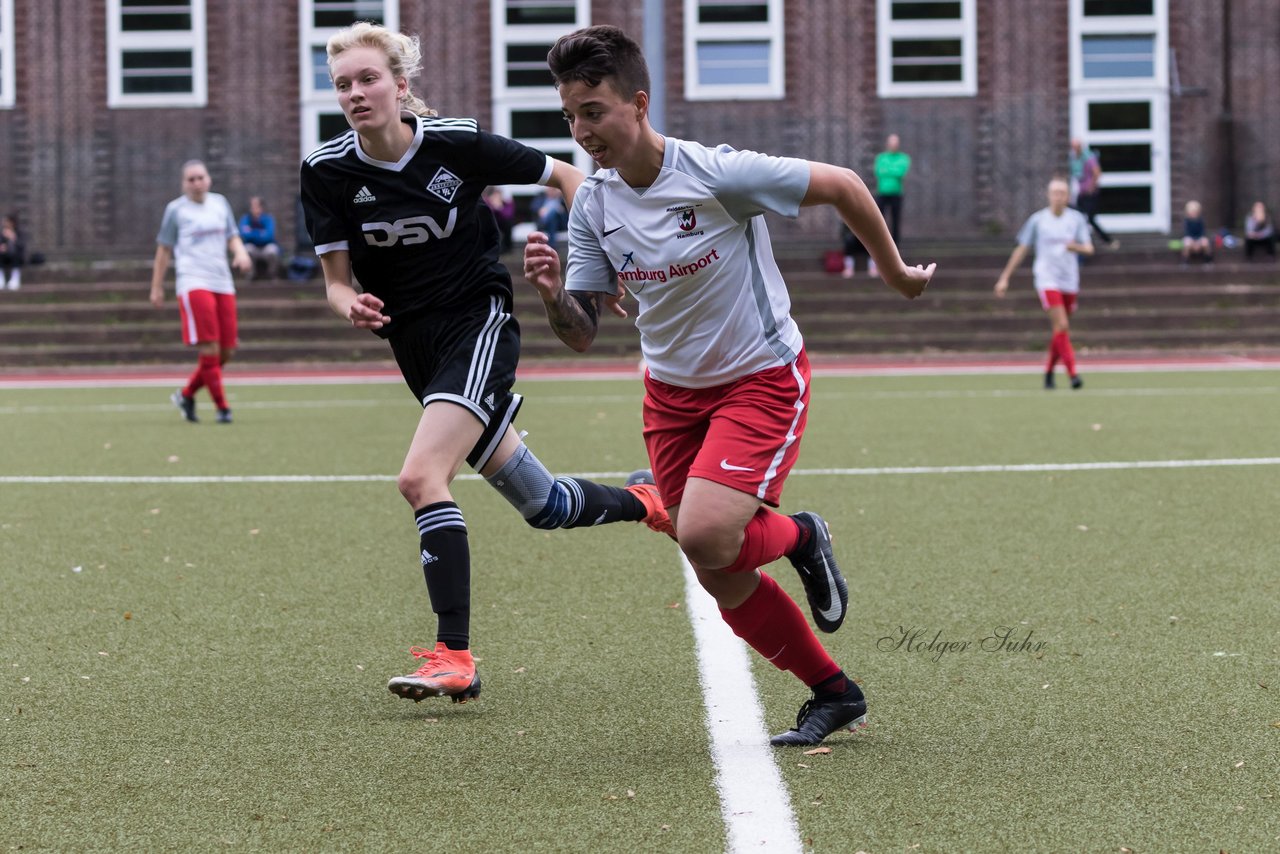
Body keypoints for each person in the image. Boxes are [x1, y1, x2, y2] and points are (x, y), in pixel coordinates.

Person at [523, 25, 934, 747]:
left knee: (708, 533)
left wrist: (895, 273)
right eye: (569, 117)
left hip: (760, 379)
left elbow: (840, 185)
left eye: (593, 110)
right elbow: (581, 331)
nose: (581, 131)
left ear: (639, 103)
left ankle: (802, 534)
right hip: (671, 395)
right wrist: (555, 293)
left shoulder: (715, 173)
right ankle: (834, 692)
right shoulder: (592, 206)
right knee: (714, 568)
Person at [299, 22, 672, 707]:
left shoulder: (457, 143)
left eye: (369, 79)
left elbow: (568, 177)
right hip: (417, 350)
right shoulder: (326, 170)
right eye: (343, 84)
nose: (356, 93)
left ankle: (454, 654)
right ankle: (651, 500)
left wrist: (602, 259)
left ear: (400, 85)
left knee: (420, 478)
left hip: (478, 325)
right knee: (545, 505)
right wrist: (347, 302)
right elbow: (335, 280)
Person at [150, 160, 252, 423]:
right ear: (184, 183)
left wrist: (240, 253)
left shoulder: (220, 203)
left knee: (227, 350)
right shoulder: (176, 210)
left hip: (222, 282)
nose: (196, 183)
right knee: (210, 347)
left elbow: (232, 235)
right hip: (193, 281)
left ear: (208, 179)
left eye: (200, 177)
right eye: (191, 179)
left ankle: (186, 394)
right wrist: (157, 287)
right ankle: (223, 408)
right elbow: (164, 249)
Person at [994, 176, 1093, 390]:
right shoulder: (1038, 220)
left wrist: (1074, 247)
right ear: (1048, 195)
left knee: (1060, 330)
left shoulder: (1076, 219)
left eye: (1062, 193)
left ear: (1068, 196)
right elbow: (1021, 249)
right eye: (1054, 193)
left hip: (1069, 279)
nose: (1058, 197)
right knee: (1063, 325)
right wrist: (1005, 277)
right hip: (1046, 278)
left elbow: (1089, 248)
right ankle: (1073, 375)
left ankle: (1048, 372)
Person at [871, 133, 910, 266]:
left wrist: (888, 170)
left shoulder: (903, 158)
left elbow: (900, 172)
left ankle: (895, 247)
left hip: (896, 193)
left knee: (895, 220)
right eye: (891, 142)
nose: (893, 144)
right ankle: (880, 245)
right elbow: (879, 171)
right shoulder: (881, 157)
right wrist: (892, 171)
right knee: (879, 220)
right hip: (882, 192)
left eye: (895, 142)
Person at [1071, 142, 1118, 249]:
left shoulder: (1089, 157)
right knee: (1078, 216)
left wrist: (1091, 188)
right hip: (1081, 193)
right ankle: (1085, 241)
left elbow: (1097, 172)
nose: (1074, 149)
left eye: (1076, 146)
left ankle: (1106, 240)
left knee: (1090, 218)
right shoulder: (1074, 159)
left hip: (1090, 194)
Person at [238, 196, 282, 279]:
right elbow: (244, 235)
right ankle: (250, 275)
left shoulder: (268, 219)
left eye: (256, 205)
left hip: (266, 247)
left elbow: (269, 236)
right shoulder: (246, 219)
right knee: (247, 250)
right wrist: (260, 233)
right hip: (252, 247)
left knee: (273, 250)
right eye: (252, 206)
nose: (254, 208)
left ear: (262, 207)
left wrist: (252, 232)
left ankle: (272, 275)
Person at [531, 185, 569, 250]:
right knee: (552, 216)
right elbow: (533, 207)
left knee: (553, 213)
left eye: (554, 189)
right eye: (550, 189)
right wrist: (540, 210)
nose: (552, 191)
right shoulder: (541, 197)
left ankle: (551, 246)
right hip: (544, 223)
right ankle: (552, 247)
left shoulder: (562, 199)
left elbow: (569, 210)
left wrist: (561, 208)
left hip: (560, 223)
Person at [483, 186, 516, 252]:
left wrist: (499, 208)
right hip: (491, 223)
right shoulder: (487, 202)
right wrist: (492, 205)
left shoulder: (507, 203)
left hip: (502, 224)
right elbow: (485, 213)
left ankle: (507, 247)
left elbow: (508, 215)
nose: (497, 197)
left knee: (508, 225)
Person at [1181, 200, 1212, 264]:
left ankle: (1208, 260)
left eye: (1195, 212)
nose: (1193, 213)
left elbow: (1202, 232)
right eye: (1191, 212)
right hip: (1190, 240)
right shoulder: (1186, 221)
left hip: (1199, 239)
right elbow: (1187, 233)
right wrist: (1193, 241)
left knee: (1205, 242)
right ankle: (1184, 261)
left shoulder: (1200, 221)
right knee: (1186, 242)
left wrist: (1198, 241)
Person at [0, 213, 24, 291]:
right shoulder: (2, 233)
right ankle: (1, 279)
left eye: (7, 221)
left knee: (16, 255)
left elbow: (21, 246)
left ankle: (15, 279)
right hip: (4, 256)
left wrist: (13, 238)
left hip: (15, 256)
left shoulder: (18, 232)